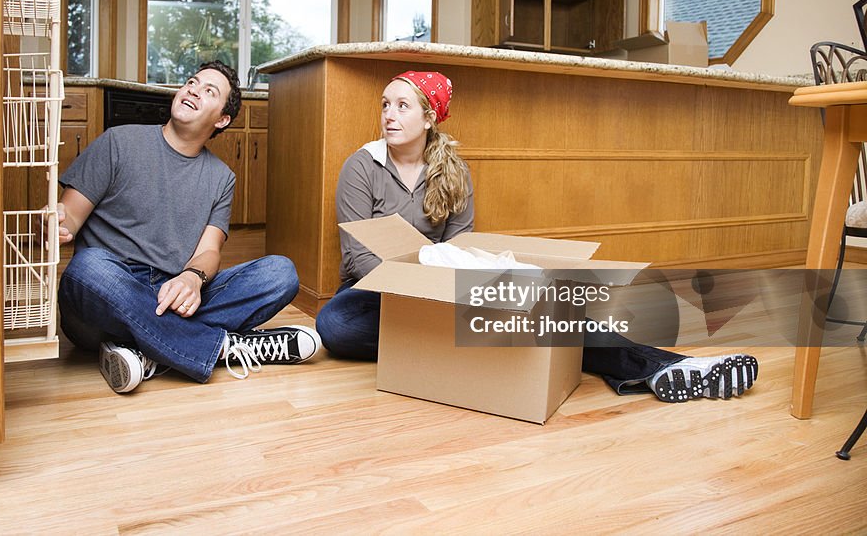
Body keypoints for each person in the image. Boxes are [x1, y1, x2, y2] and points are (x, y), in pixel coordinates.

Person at [315, 70, 758, 403]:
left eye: (402, 106)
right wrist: (420, 290)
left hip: (445, 294)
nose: (389, 115)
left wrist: (448, 296)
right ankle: (473, 340)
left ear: (430, 116)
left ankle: (668, 368)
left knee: (538, 319)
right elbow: (359, 260)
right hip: (375, 295)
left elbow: (464, 250)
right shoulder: (362, 166)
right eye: (385, 104)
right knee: (335, 324)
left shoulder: (454, 172)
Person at [56, 60, 320, 394]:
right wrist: (58, 223)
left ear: (222, 119)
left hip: (174, 293)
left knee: (280, 273)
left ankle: (143, 348)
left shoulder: (222, 178)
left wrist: (192, 279)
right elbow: (71, 215)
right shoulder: (118, 142)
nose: (193, 89)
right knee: (87, 267)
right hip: (108, 293)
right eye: (192, 82)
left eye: (209, 91)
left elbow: (208, 251)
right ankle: (222, 347)